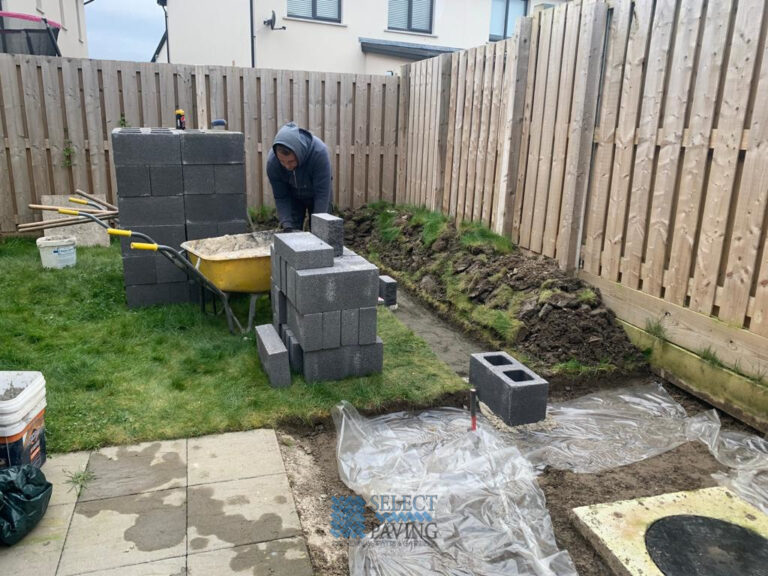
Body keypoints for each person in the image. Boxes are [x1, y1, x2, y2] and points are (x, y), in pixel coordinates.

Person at [267, 122, 332, 232]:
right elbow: (281, 196)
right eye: (282, 161)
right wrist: (287, 225)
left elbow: (322, 194)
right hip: (292, 196)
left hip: (318, 195)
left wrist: (318, 227)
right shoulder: (273, 163)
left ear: (299, 153)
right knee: (291, 231)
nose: (287, 166)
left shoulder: (319, 154)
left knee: (321, 231)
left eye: (291, 161)